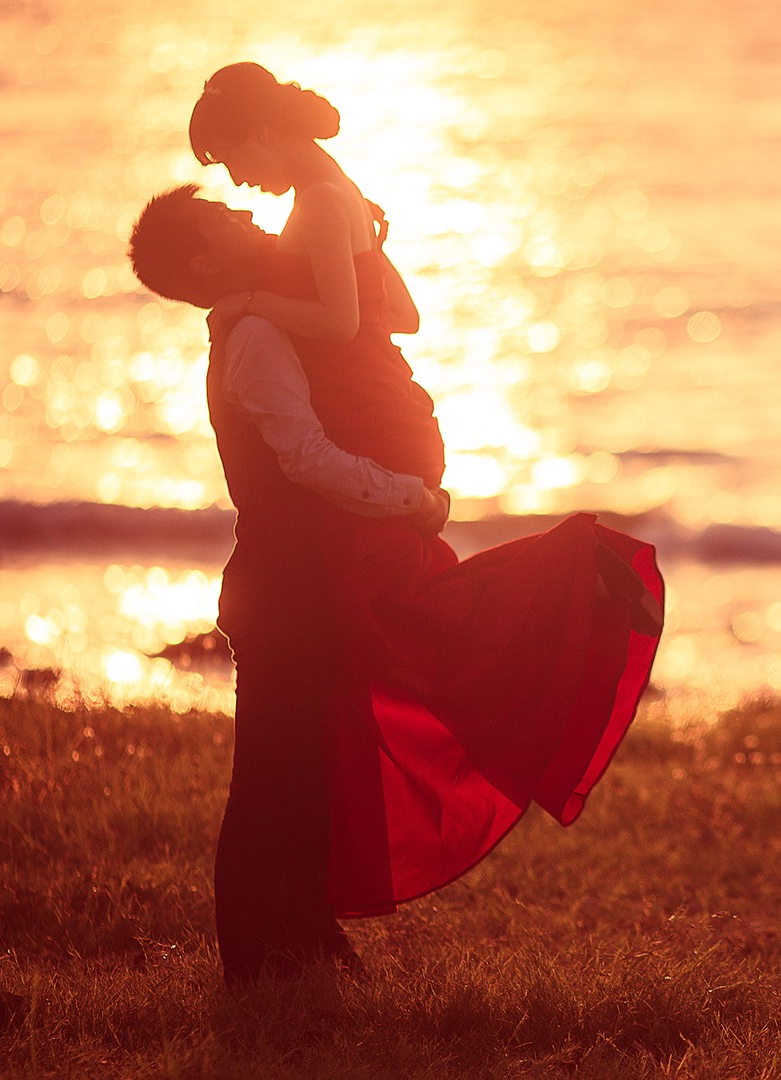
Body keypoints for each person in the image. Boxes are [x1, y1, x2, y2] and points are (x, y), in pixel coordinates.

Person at [128, 178, 662, 981]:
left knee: (310, 773)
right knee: (273, 780)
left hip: (300, 588)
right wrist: (411, 499)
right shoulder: (254, 338)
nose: (244, 212)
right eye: (222, 215)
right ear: (203, 259)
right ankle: (254, 958)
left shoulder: (267, 316)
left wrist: (357, 228)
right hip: (282, 595)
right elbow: (305, 458)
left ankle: (299, 937)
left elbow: (389, 316)